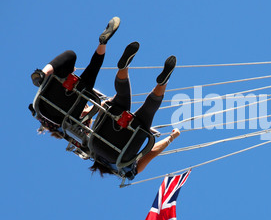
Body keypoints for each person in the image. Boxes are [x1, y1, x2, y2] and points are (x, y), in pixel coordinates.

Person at [88, 41, 181, 178]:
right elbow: (95, 124)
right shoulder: (92, 150)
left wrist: (171, 138)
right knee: (122, 96)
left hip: (136, 132)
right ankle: (123, 68)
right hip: (113, 121)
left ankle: (162, 83)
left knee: (148, 111)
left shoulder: (127, 170)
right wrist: (105, 107)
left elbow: (151, 153)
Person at [31, 17, 121, 135]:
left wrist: (111, 101)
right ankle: (43, 73)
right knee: (70, 56)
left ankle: (102, 44)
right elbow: (85, 112)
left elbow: (87, 112)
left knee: (92, 70)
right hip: (49, 104)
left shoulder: (71, 124)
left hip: (60, 108)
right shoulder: (58, 123)